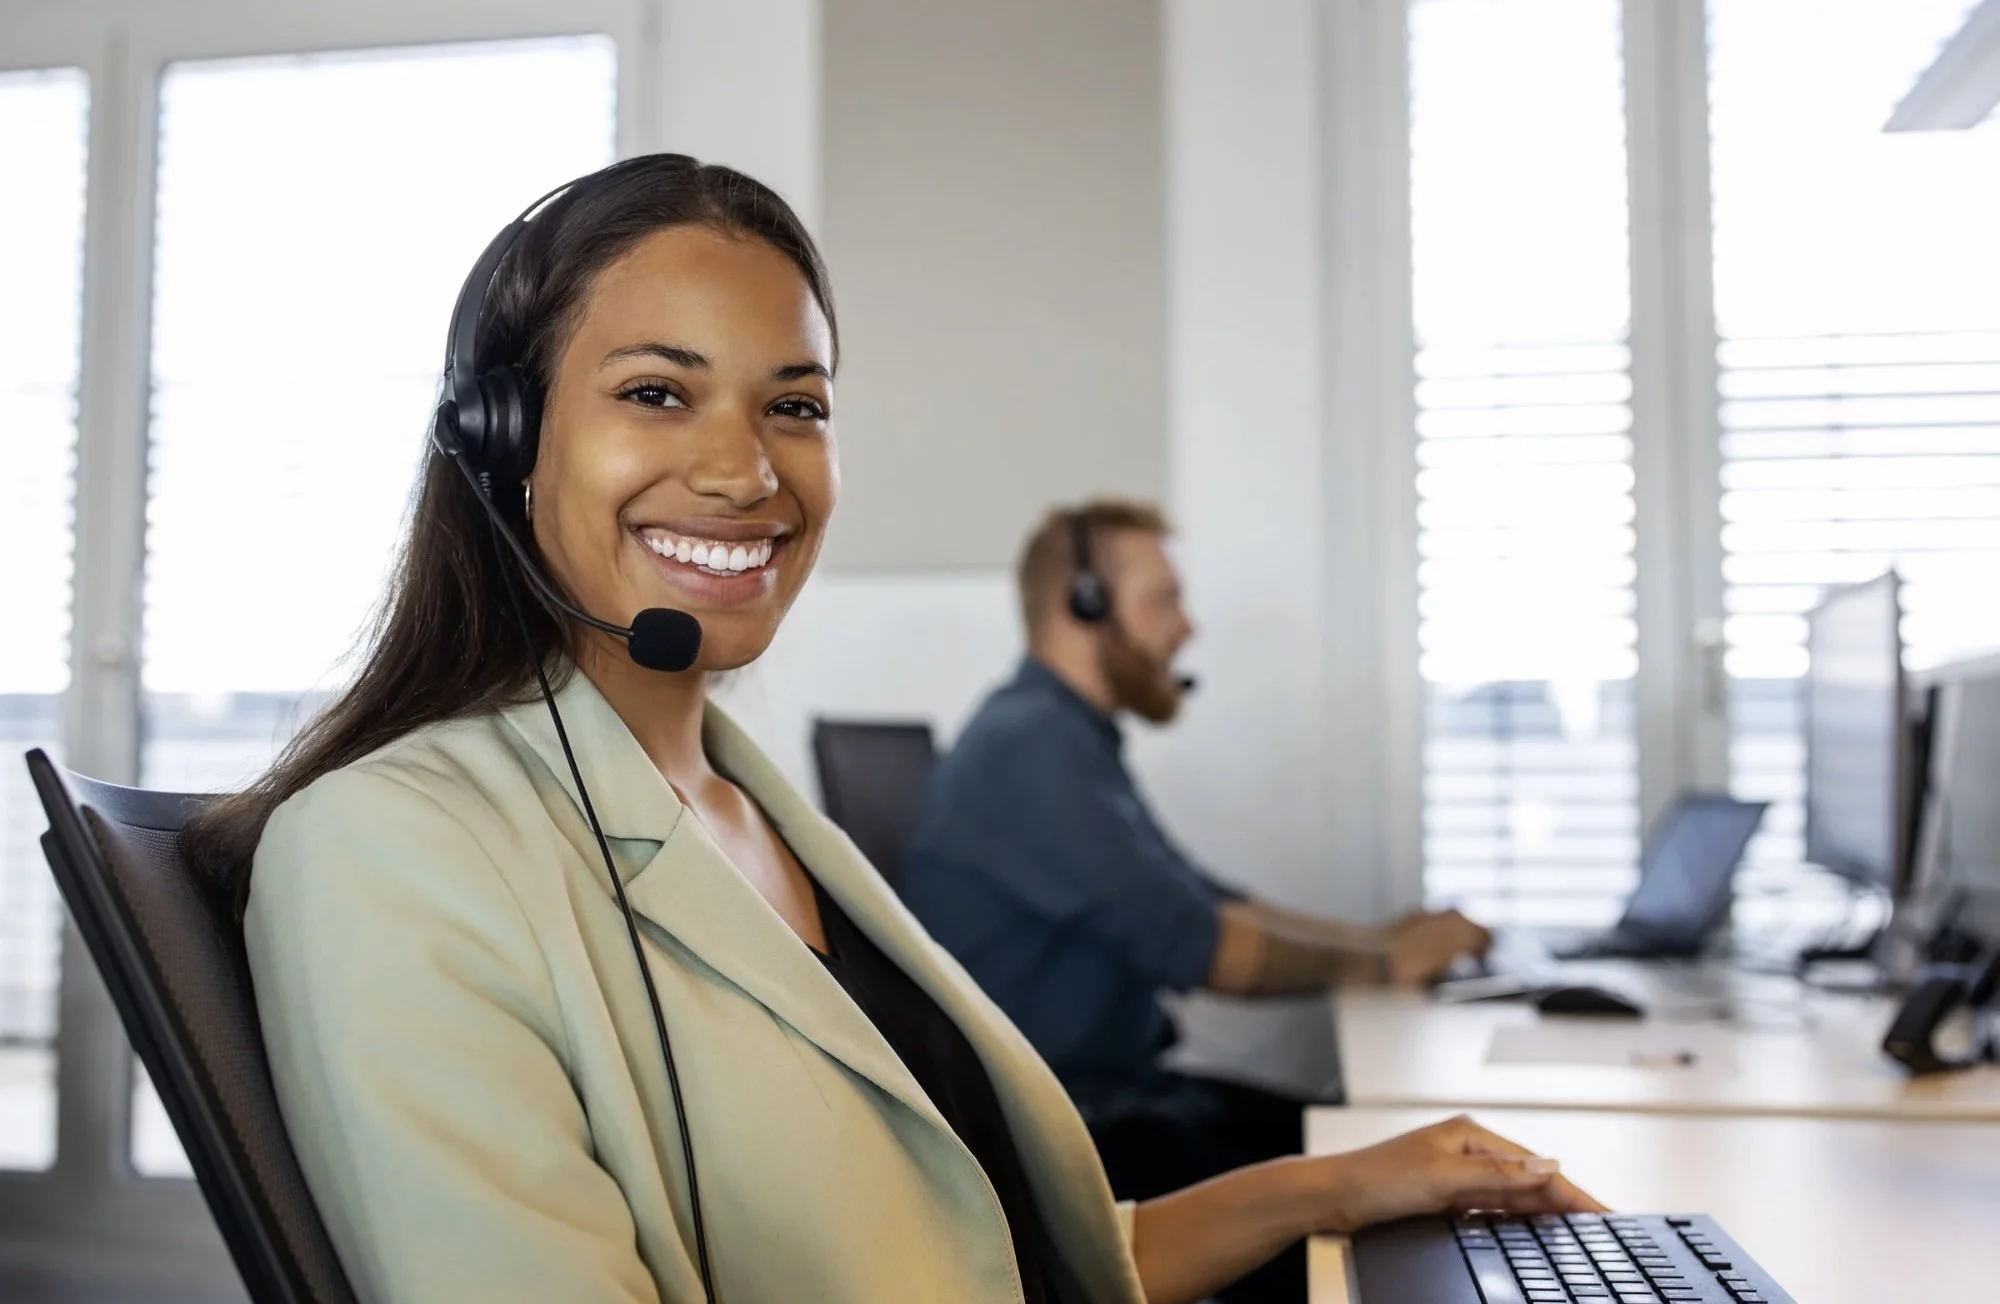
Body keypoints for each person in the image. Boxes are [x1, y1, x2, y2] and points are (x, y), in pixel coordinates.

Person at [186, 156, 1594, 1304]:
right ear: (502, 441)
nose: (747, 470)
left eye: (794, 406)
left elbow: (1040, 1268)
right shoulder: (392, 852)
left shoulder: (751, 807)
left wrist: (1347, 1182)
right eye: (657, 393)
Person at [899, 500, 1495, 1300]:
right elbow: (1205, 946)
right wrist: (1386, 961)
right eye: (1165, 601)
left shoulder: (1067, 736)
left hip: (1121, 1100)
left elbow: (1211, 898)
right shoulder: (1029, 748)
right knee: (1383, 1194)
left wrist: (1378, 939)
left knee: (1365, 1140)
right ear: (1086, 606)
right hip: (1073, 1136)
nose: (1187, 628)